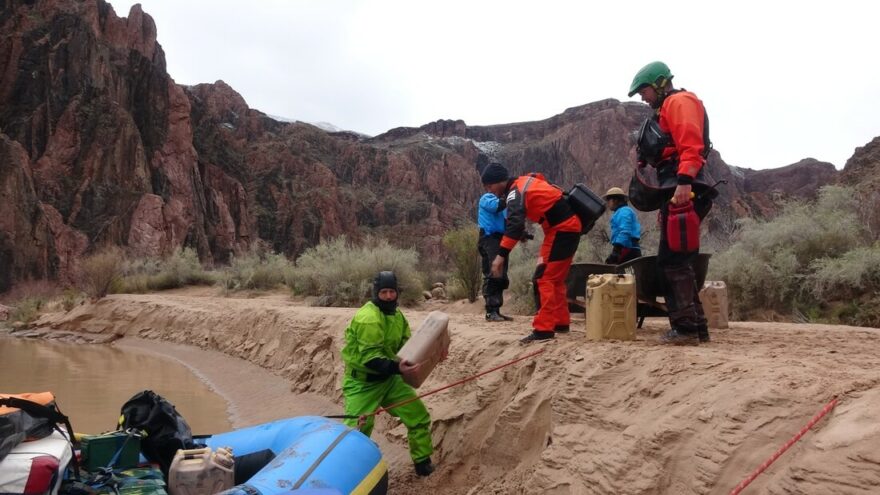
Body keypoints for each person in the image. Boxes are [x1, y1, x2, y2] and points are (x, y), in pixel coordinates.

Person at [628, 60, 712, 345]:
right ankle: (696, 327)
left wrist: (684, 182)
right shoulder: (667, 108)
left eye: (645, 90)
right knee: (678, 260)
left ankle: (686, 330)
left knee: (672, 261)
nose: (643, 97)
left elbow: (691, 144)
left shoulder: (680, 101)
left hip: (685, 186)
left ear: (661, 83)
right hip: (678, 186)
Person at [341, 271, 435, 476]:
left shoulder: (397, 315)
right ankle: (349, 474)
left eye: (392, 291)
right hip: (363, 384)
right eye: (383, 292)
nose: (389, 296)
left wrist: (434, 353)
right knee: (356, 431)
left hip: (390, 381)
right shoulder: (368, 318)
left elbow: (407, 346)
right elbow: (371, 359)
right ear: (376, 293)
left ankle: (422, 462)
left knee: (417, 416)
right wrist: (398, 368)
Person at [481, 163, 581, 344]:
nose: (489, 190)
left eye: (489, 186)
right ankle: (560, 322)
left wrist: (500, 257)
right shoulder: (524, 182)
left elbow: (514, 224)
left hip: (562, 229)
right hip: (565, 228)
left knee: (544, 278)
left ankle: (544, 329)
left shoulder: (515, 192)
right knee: (554, 278)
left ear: (498, 182)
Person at [478, 186, 513, 322]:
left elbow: (505, 221)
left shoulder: (501, 204)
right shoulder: (487, 198)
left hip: (499, 239)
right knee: (493, 273)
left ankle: (496, 310)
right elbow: (496, 207)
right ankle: (490, 311)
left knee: (501, 275)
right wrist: (510, 195)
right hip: (489, 237)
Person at [603, 187, 642, 265]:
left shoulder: (624, 211)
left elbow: (625, 231)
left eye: (608, 200)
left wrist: (616, 250)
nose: (607, 203)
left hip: (628, 249)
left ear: (615, 200)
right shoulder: (621, 212)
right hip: (625, 248)